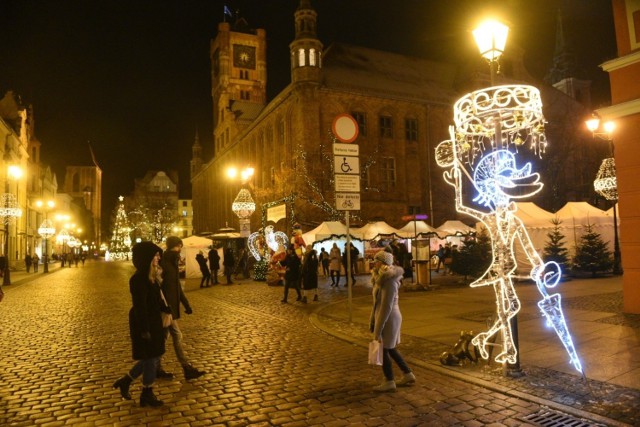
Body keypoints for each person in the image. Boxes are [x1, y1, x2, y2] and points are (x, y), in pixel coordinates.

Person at [113, 241, 167, 407]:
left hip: (154, 321)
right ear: (147, 258)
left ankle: (126, 381)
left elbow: (156, 299)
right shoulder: (138, 279)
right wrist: (145, 329)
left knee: (153, 357)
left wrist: (166, 308)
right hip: (144, 322)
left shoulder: (152, 276)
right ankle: (147, 393)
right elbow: (140, 306)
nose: (158, 258)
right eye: (155, 255)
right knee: (151, 358)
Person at [157, 236, 205, 381]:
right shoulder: (164, 263)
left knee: (163, 338)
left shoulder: (172, 262)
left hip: (171, 308)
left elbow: (177, 286)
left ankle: (156, 368)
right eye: (178, 247)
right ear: (173, 247)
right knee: (176, 335)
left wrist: (186, 304)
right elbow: (158, 288)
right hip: (166, 308)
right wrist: (164, 306)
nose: (180, 250)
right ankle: (186, 368)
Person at [369, 250, 415, 392]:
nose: (373, 263)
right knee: (390, 348)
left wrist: (378, 328)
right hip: (385, 317)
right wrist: (372, 320)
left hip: (389, 318)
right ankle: (408, 374)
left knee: (383, 348)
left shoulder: (388, 281)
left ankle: (389, 381)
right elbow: (377, 304)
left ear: (383, 263)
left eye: (376, 261)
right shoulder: (381, 278)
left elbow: (386, 307)